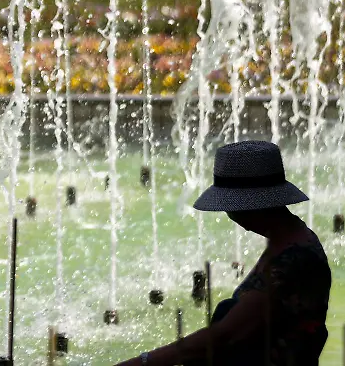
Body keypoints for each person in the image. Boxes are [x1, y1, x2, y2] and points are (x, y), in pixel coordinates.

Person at [116, 140, 331, 366]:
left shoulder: (293, 261)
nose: (228, 212)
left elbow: (226, 337)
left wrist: (143, 362)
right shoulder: (290, 241)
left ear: (249, 205)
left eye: (230, 205)